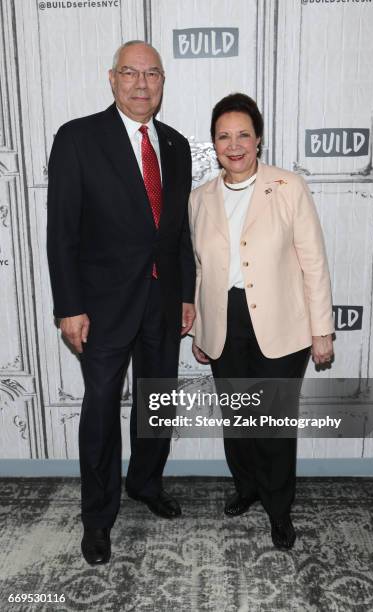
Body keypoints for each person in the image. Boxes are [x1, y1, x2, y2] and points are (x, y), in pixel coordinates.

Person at [47, 41, 195, 565]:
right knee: (102, 412)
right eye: (130, 73)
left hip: (162, 302)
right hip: (102, 306)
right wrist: (69, 305)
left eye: (151, 74)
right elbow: (61, 231)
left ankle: (146, 484)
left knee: (157, 403)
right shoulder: (78, 138)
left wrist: (186, 295)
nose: (141, 84)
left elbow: (178, 232)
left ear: (162, 82)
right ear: (112, 79)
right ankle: (97, 517)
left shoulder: (175, 146)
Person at [189, 93, 334, 550]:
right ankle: (247, 487)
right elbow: (199, 268)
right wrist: (200, 328)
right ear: (213, 143)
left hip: (281, 324)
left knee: (271, 422)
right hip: (224, 321)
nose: (234, 145)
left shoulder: (288, 187)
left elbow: (313, 262)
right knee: (237, 418)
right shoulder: (199, 199)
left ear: (259, 140)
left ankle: (278, 507)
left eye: (243, 135)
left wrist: (322, 329)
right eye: (224, 136)